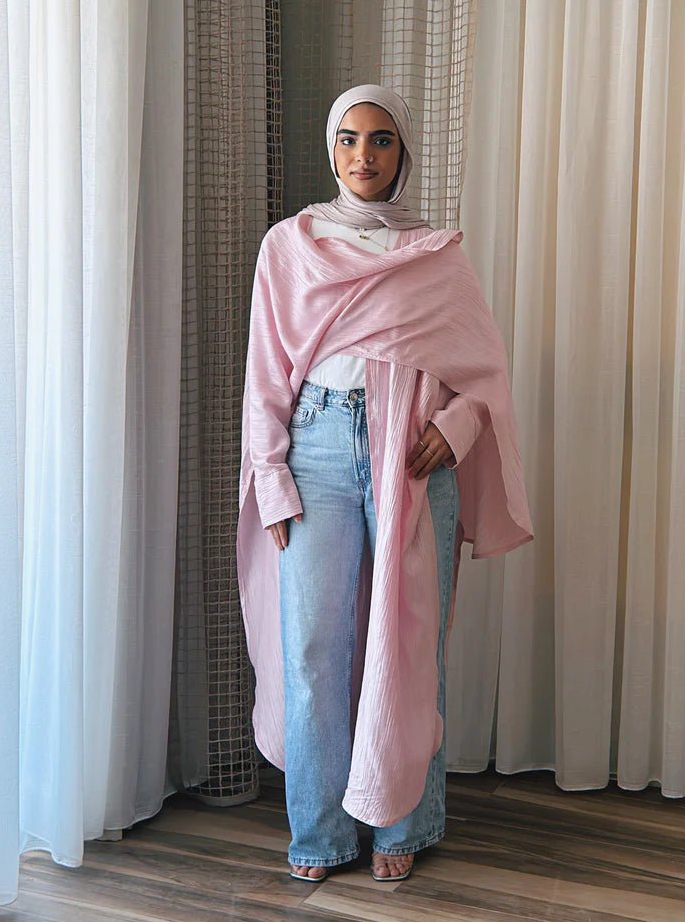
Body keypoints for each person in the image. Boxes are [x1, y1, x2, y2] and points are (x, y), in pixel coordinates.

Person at [236, 84, 532, 884]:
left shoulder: (436, 255)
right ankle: (320, 832)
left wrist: (455, 428)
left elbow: (484, 375)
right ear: (331, 150)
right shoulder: (290, 245)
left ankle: (407, 820)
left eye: (380, 140)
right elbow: (266, 371)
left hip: (412, 455)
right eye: (348, 139)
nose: (362, 155)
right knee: (312, 649)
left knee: (408, 640)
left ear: (402, 152)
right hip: (315, 453)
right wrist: (271, 477)